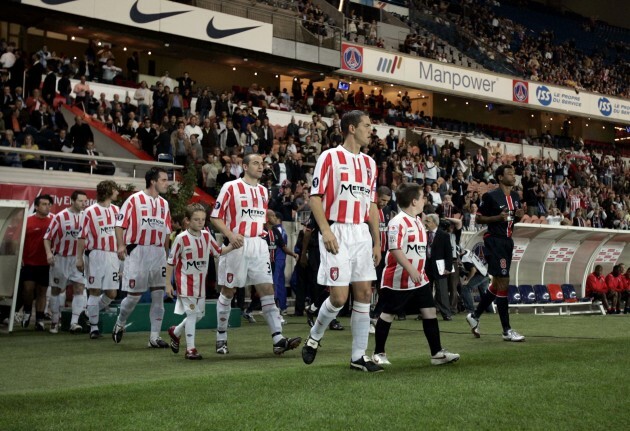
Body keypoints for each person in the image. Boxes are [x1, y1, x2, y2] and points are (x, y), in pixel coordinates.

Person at [301, 110, 382, 372]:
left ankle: (358, 357)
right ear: (350, 128)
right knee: (338, 297)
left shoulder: (370, 164)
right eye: (367, 126)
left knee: (364, 294)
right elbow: (315, 197)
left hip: (360, 233)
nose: (371, 130)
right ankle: (315, 336)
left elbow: (371, 206)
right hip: (337, 230)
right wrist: (325, 231)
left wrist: (377, 241)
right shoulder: (330, 157)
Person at [210, 154, 302, 355]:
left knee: (267, 289)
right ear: (244, 166)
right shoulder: (231, 187)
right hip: (237, 245)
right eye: (255, 163)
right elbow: (215, 217)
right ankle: (221, 337)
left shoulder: (262, 191)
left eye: (262, 164)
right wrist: (230, 234)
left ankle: (278, 338)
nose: (261, 167)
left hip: (258, 245)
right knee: (228, 291)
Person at [373, 183, 459, 366]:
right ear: (414, 201)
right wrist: (410, 269)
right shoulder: (397, 222)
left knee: (430, 312)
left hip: (419, 279)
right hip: (398, 278)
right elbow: (394, 248)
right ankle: (378, 353)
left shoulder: (419, 221)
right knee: (388, 314)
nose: (425, 201)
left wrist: (419, 271)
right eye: (422, 198)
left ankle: (436, 353)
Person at [112, 167, 172, 348]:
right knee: (133, 296)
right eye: (163, 180)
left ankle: (154, 337)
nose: (166, 183)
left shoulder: (164, 204)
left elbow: (167, 231)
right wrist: (121, 245)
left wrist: (167, 255)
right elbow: (120, 224)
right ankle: (120, 322)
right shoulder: (134, 200)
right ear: (153, 181)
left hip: (158, 253)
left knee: (158, 295)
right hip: (138, 251)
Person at [466, 165, 525, 342]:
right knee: (504, 282)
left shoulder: (515, 197)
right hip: (494, 240)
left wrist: (519, 216)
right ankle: (506, 330)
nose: (513, 176)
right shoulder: (490, 196)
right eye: (509, 173)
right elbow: (479, 218)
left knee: (498, 283)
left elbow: (513, 219)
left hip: (507, 240)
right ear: (500, 177)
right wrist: (497, 218)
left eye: (513, 173)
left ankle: (475, 315)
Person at [166, 204, 233, 360]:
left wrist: (233, 246)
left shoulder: (206, 236)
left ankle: (175, 332)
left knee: (199, 315)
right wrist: (168, 284)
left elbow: (218, 252)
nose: (200, 222)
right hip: (184, 282)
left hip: (200, 284)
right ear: (187, 221)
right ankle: (190, 349)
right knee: (192, 314)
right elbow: (170, 262)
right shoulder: (181, 239)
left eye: (203, 219)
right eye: (196, 219)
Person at [76, 180, 121, 339]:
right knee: (94, 290)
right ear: (109, 191)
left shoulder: (117, 210)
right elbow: (81, 236)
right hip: (95, 254)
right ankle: (94, 328)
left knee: (112, 293)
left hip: (113, 255)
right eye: (115, 190)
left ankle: (89, 312)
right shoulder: (90, 211)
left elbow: (121, 234)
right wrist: (79, 258)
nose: (118, 192)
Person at [43, 190, 89, 334]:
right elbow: (47, 237)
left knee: (79, 288)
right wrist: (49, 253)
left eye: (85, 201)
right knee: (57, 290)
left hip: (78, 259)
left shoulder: (86, 216)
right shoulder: (60, 217)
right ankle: (55, 321)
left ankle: (74, 323)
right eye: (81, 201)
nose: (84, 204)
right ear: (72, 201)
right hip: (61, 259)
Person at [20, 195, 54, 330]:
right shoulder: (27, 221)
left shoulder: (53, 222)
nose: (47, 207)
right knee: (28, 289)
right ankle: (27, 311)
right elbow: (20, 241)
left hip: (45, 264)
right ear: (36, 207)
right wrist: (20, 258)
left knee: (42, 291)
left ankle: (39, 319)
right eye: (44, 204)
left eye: (49, 205)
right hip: (28, 262)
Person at [371, 186, 394, 324]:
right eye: (383, 199)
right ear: (376, 196)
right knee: (368, 285)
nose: (384, 203)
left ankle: (376, 314)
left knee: (384, 286)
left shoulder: (386, 211)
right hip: (370, 253)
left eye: (387, 201)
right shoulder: (369, 208)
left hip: (384, 254)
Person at [425, 214, 453, 321]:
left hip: (440, 267)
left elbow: (448, 253)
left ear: (434, 223)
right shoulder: (424, 234)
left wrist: (448, 268)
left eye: (428, 221)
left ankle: (446, 313)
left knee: (442, 291)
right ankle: (425, 312)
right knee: (426, 291)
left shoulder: (444, 235)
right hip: (427, 266)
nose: (425, 223)